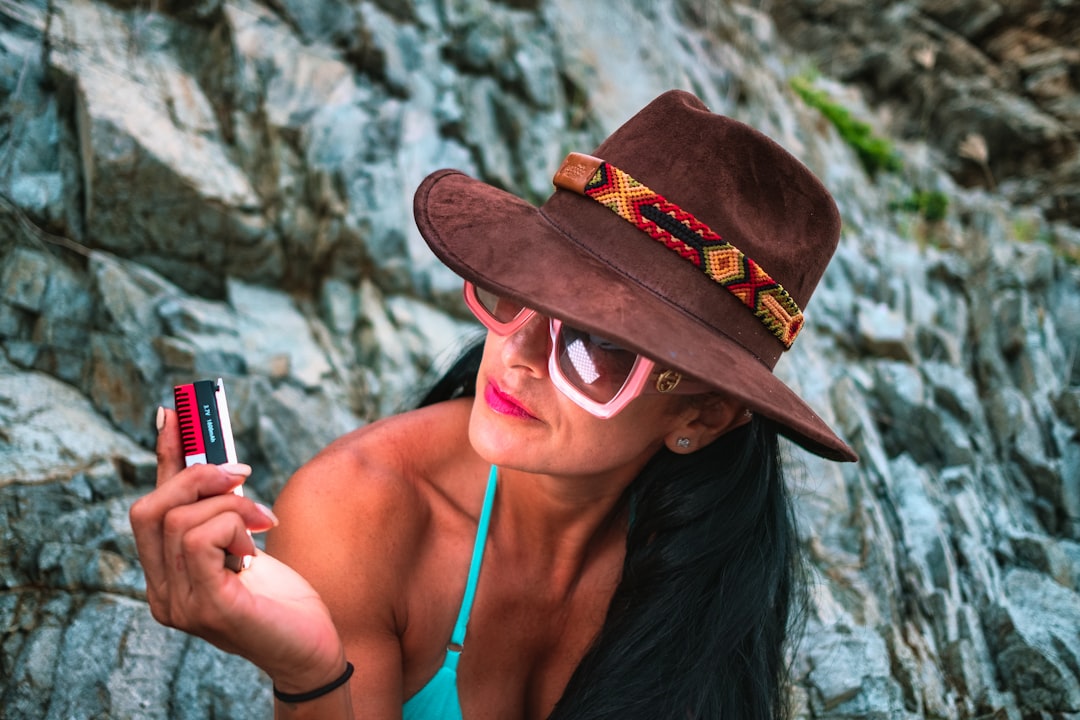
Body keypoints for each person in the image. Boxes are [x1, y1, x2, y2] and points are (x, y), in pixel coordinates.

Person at [130, 89, 858, 720]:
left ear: (699, 417)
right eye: (519, 292)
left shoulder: (709, 566)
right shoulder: (357, 514)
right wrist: (311, 675)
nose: (515, 352)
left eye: (596, 343)